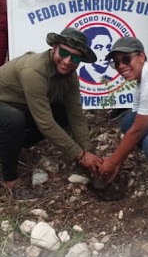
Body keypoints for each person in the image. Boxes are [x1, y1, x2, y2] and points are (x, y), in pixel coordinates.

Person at [0, 28, 101, 200]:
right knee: (14, 120)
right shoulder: (34, 70)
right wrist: (80, 156)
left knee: (62, 111)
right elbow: (45, 122)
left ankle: (16, 146)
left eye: (75, 58)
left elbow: (75, 114)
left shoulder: (70, 77)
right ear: (54, 47)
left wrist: (88, 150)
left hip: (19, 105)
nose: (68, 61)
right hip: (5, 105)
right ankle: (10, 179)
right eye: (64, 52)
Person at [97, 37, 148, 181]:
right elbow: (136, 119)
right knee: (128, 121)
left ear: (141, 56)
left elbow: (137, 130)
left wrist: (113, 162)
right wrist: (118, 162)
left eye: (126, 59)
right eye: (116, 63)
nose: (120, 66)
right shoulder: (142, 77)